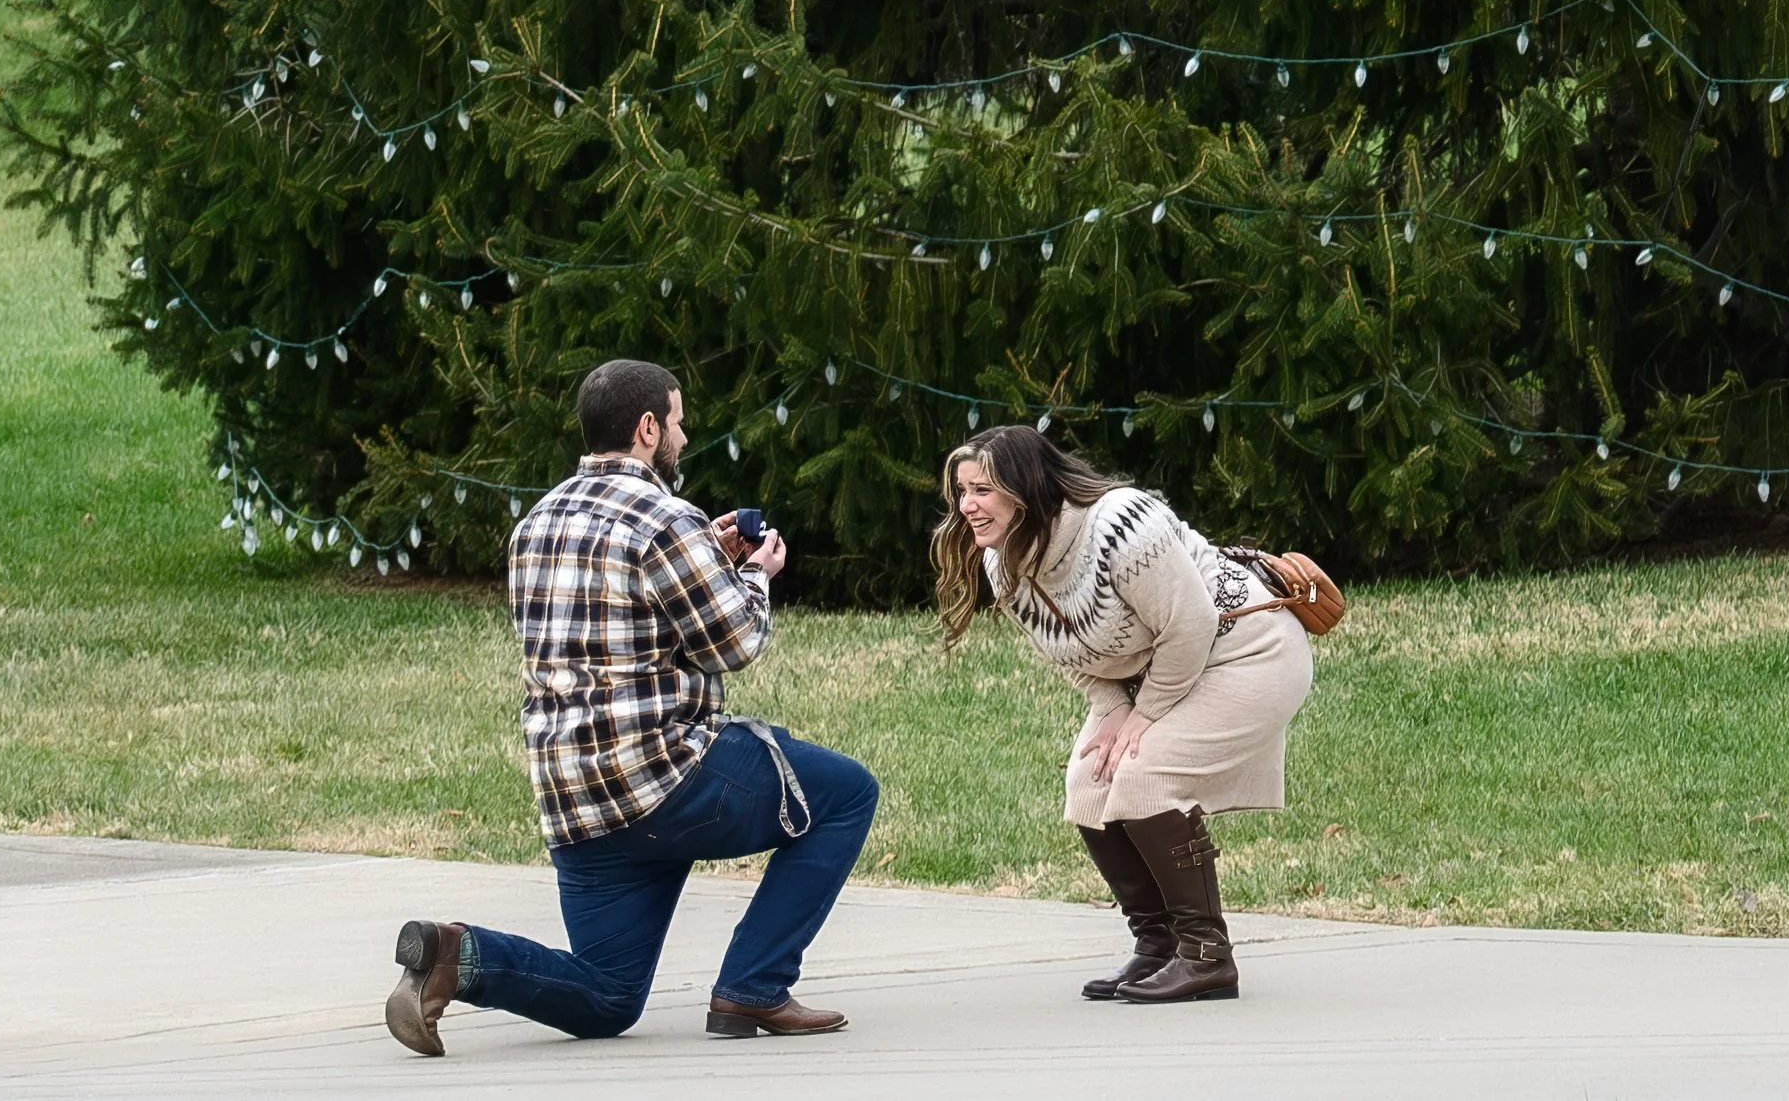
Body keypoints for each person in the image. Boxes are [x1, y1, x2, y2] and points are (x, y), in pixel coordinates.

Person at [384, 359, 879, 1055]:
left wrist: (705, 555)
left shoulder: (535, 523)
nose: (683, 435)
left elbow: (613, 621)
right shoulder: (664, 519)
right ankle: (755, 984)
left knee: (607, 996)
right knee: (847, 793)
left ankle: (455, 956)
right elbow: (735, 642)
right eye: (678, 422)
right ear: (648, 428)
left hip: (575, 799)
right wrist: (752, 573)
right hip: (667, 778)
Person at [930, 426, 1312, 1004]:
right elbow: (1064, 651)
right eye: (962, 491)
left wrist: (1146, 713)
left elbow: (1192, 625)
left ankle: (1206, 955)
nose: (966, 506)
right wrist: (1112, 707)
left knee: (1144, 775)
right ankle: (1158, 945)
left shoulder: (1121, 524)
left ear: (1025, 487)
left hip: (1247, 652)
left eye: (981, 490)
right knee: (1089, 780)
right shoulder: (1003, 562)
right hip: (1155, 670)